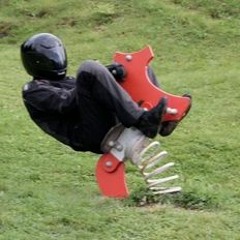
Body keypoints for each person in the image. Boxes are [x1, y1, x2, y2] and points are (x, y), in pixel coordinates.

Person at [21, 33, 176, 154]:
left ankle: (162, 121)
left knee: (135, 70)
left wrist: (112, 73)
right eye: (50, 59)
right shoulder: (33, 90)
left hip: (103, 121)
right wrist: (95, 75)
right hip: (90, 135)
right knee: (89, 68)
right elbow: (67, 103)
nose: (56, 61)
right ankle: (142, 120)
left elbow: (92, 91)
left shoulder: (66, 80)